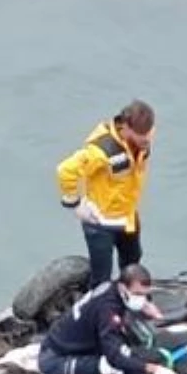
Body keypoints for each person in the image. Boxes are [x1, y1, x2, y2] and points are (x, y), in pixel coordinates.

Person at [38, 267, 181, 374]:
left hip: (61, 342)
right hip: (55, 359)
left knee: (115, 348)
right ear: (122, 287)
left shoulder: (108, 287)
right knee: (120, 372)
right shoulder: (108, 311)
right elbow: (116, 358)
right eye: (137, 294)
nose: (140, 298)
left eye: (144, 294)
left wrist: (145, 304)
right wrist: (154, 369)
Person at [56, 101, 156, 286]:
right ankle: (96, 307)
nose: (147, 140)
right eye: (141, 135)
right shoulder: (100, 152)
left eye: (149, 134)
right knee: (102, 276)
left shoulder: (145, 136)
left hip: (127, 215)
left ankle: (125, 298)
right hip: (101, 222)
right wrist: (75, 203)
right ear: (125, 127)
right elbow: (65, 170)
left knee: (133, 260)